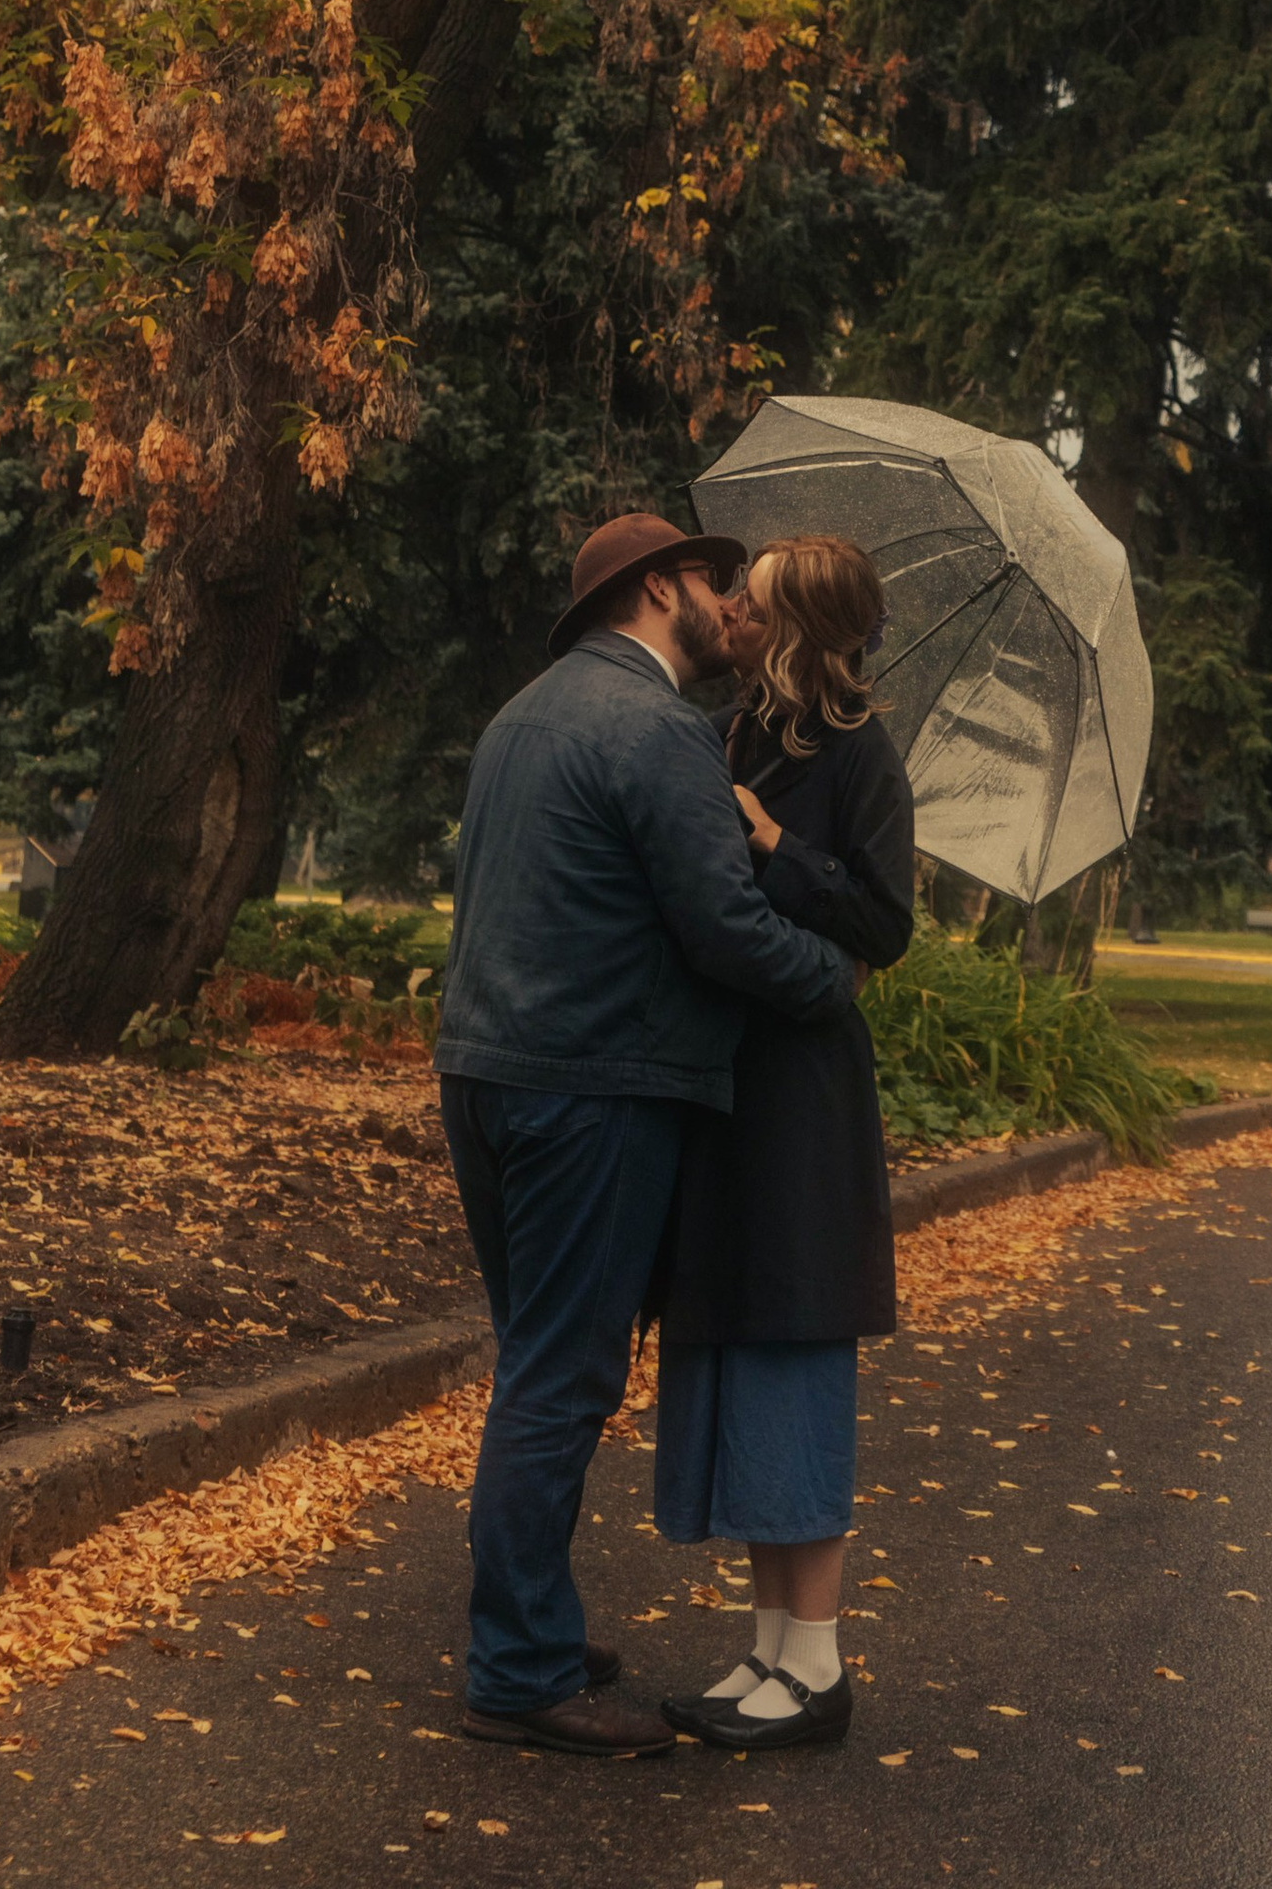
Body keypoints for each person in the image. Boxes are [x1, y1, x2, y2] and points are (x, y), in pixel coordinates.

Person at [434, 512, 859, 1760]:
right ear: (662, 588)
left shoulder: (523, 716)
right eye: (715, 582)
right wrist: (830, 977)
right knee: (560, 1380)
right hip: (592, 1089)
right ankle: (517, 1674)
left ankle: (531, 1629)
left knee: (535, 1365)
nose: (731, 604)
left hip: (484, 1074)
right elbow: (722, 924)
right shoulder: (656, 727)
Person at [655, 532, 916, 1757]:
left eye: (753, 607)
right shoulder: (731, 736)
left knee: (794, 1346)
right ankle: (768, 1648)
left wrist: (771, 844)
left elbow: (883, 924)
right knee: (741, 1346)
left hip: (805, 1099)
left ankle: (818, 1665)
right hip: (729, 1084)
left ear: (802, 629)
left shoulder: (862, 755)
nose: (732, 617)